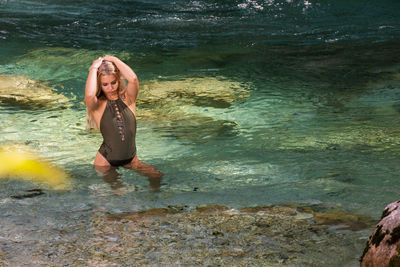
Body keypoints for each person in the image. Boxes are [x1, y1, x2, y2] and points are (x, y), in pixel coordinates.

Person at [85, 55, 162, 191]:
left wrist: (114, 60)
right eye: (105, 84)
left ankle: (154, 203)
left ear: (118, 79)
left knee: (156, 176)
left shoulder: (128, 98)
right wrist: (94, 68)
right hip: (106, 162)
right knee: (119, 194)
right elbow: (90, 95)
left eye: (113, 82)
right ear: (99, 85)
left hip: (131, 159)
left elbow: (132, 79)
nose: (110, 88)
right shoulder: (98, 105)